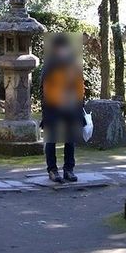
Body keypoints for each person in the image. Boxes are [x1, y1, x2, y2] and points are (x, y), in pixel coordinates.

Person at [40, 33, 86, 183]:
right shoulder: (49, 65)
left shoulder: (73, 64)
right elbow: (46, 88)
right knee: (51, 138)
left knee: (70, 139)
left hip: (71, 106)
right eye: (60, 48)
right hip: (53, 106)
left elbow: (79, 86)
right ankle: (52, 170)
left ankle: (69, 169)